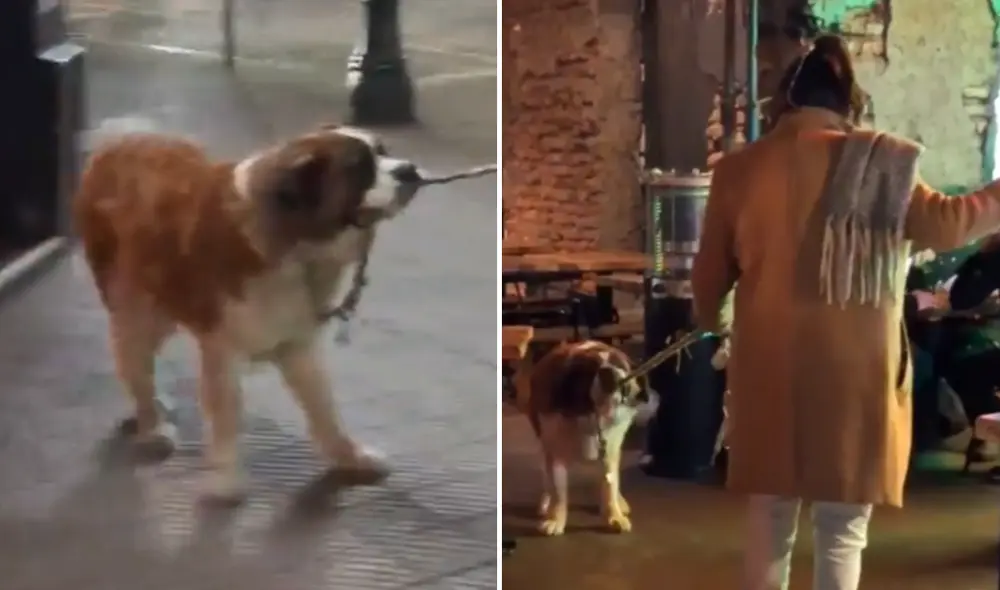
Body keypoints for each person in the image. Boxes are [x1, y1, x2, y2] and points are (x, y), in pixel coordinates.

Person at [691, 34, 1000, 590]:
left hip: (769, 366)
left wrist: (715, 323)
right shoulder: (883, 161)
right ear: (849, 101)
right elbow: (951, 223)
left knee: (769, 519)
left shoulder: (739, 170)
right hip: (856, 371)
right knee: (842, 527)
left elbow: (709, 280)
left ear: (785, 99)